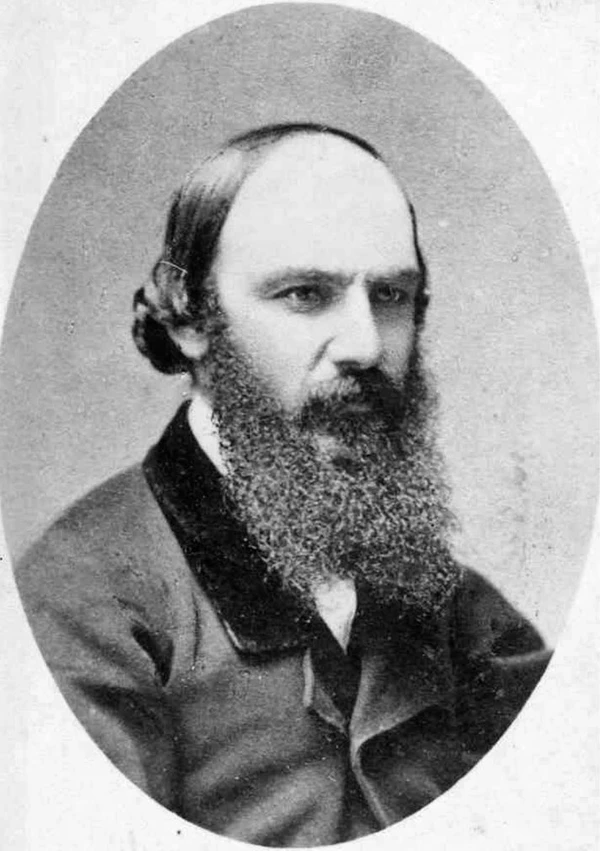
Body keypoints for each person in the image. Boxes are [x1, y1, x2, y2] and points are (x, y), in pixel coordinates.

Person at [16, 123, 551, 846]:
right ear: (193, 318)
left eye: (391, 295)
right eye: (305, 294)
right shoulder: (82, 604)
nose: (366, 345)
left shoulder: (463, 611)